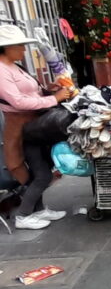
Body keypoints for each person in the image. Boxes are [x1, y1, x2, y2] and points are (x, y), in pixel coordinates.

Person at [0, 25, 72, 230]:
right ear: (7, 47)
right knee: (41, 174)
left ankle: (38, 210)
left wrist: (49, 91)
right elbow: (18, 102)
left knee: (41, 171)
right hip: (23, 128)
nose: (24, 50)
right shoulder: (2, 70)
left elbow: (30, 94)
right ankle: (23, 216)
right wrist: (54, 99)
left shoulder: (15, 67)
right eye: (20, 45)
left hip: (35, 125)